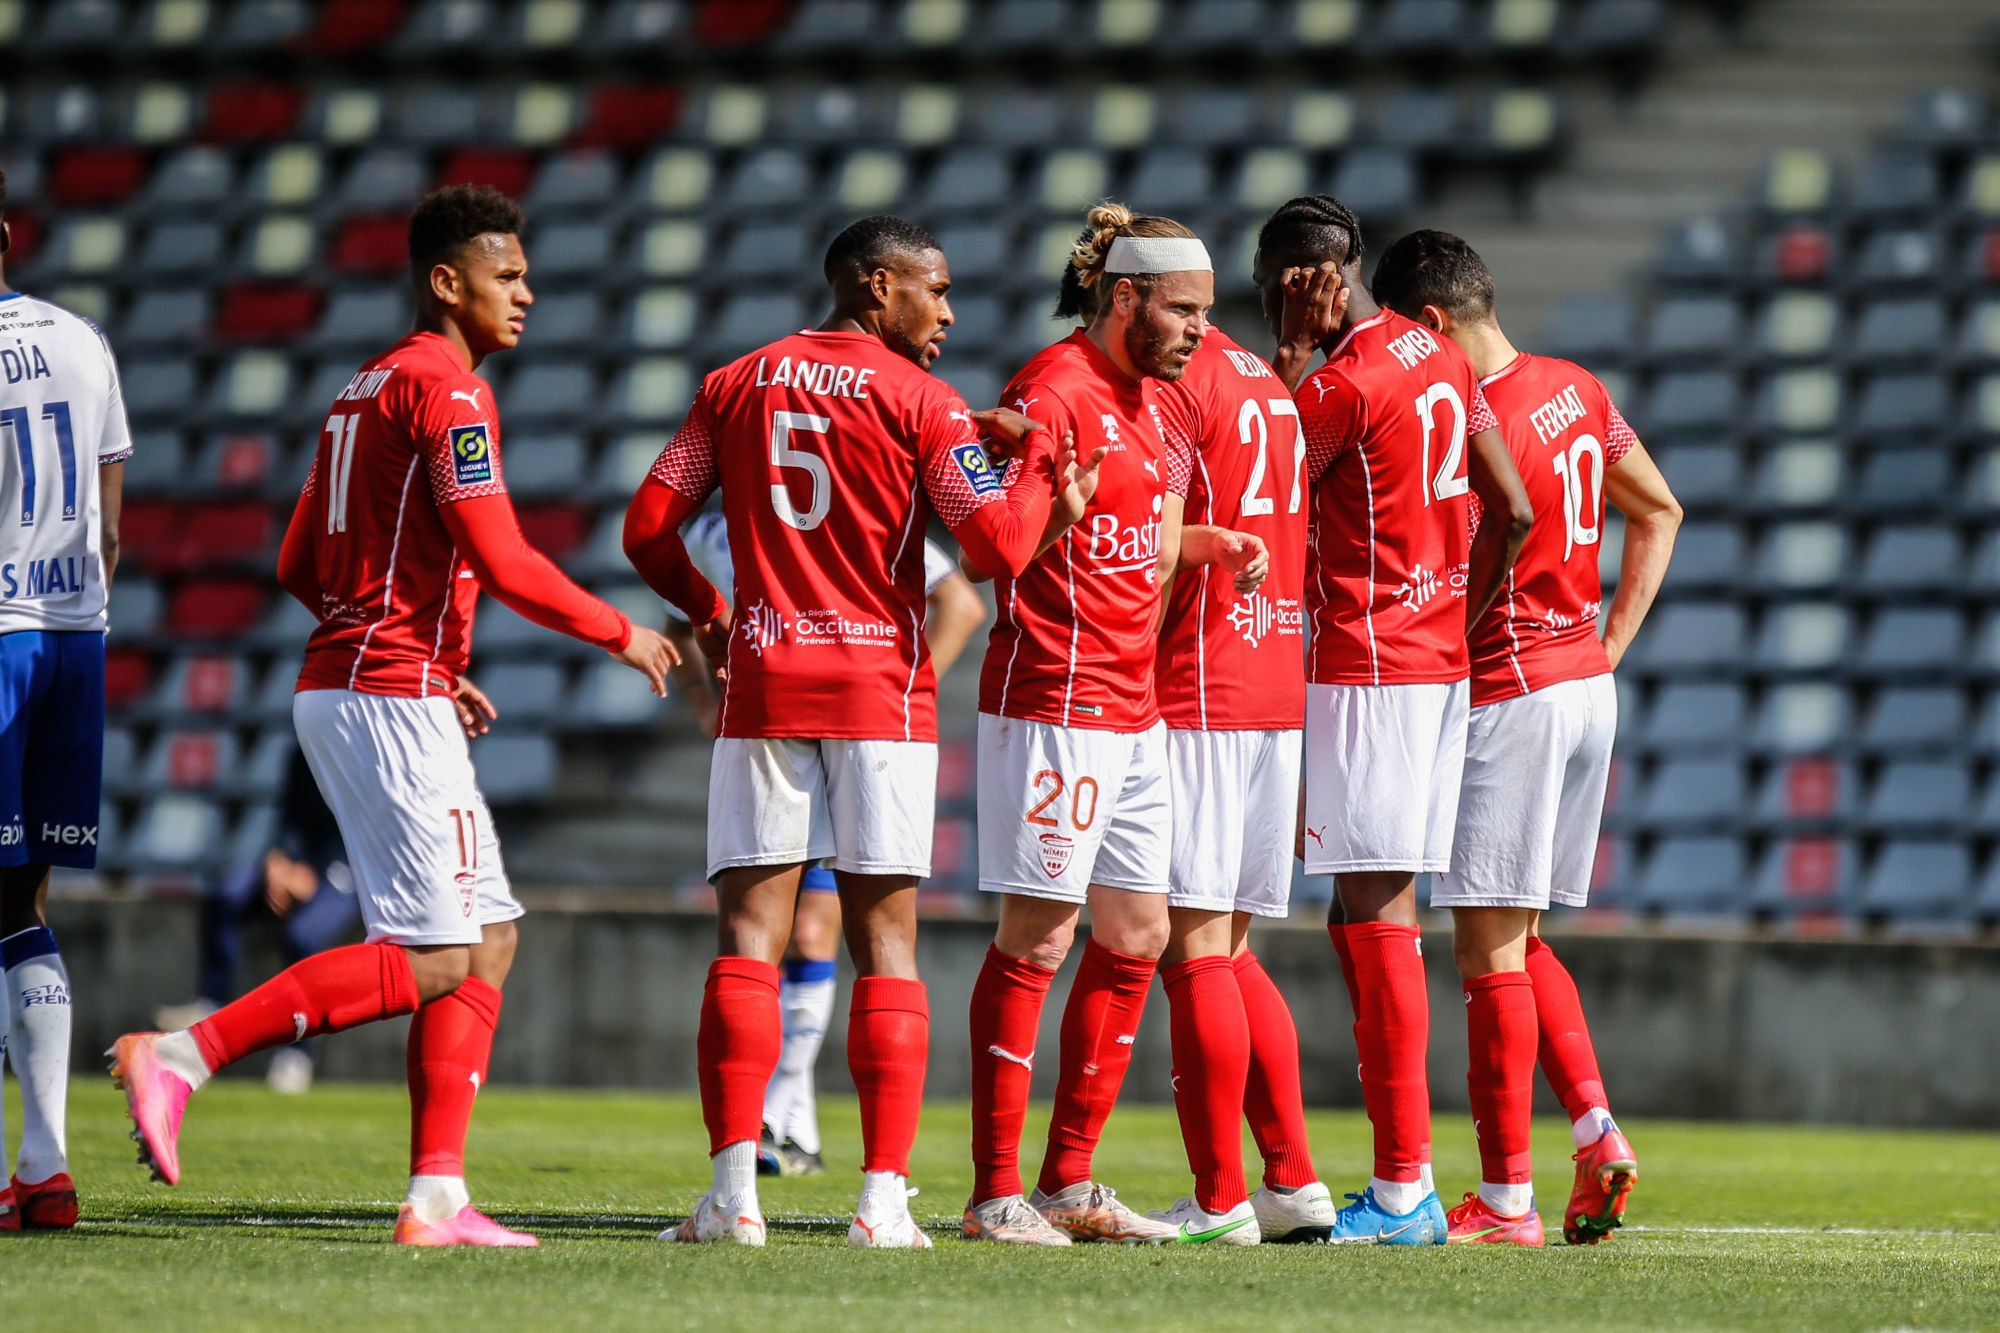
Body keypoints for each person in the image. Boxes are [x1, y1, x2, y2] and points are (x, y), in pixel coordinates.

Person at [110, 185, 675, 1248]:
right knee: (434, 956)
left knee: (489, 936)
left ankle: (437, 1197)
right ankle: (183, 1054)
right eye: (506, 276)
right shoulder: (447, 392)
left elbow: (292, 563)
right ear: (445, 282)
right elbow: (504, 561)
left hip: (370, 680)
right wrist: (620, 632)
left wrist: (395, 642)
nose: (529, 294)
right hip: (384, 693)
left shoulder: (358, 388)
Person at [624, 214, 1090, 1250]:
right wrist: (1042, 461)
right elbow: (993, 549)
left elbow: (644, 529)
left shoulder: (734, 383)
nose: (948, 310)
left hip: (766, 682)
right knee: (888, 945)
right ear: (878, 287)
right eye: (934, 288)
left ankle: (732, 1197)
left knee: (747, 940)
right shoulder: (921, 400)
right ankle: (880, 1203)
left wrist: (706, 610)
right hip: (881, 692)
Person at [963, 203, 1267, 1247]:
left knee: (1136, 934)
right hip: (1055, 696)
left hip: (1133, 707)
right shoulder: (1049, 391)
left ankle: (1065, 1182)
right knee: (1038, 936)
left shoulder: (1152, 402)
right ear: (1123, 297)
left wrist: (1204, 542)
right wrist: (1049, 498)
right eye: (1182, 310)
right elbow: (993, 549)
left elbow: (1125, 530)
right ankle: (994, 1193)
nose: (1198, 330)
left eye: (1206, 313)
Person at [1372, 229, 1680, 1246]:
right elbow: (1660, 509)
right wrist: (1607, 644)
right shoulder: (1574, 387)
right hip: (1583, 685)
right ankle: (1593, 1129)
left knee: (1485, 952)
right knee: (1520, 936)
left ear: (1428, 324)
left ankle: (1505, 1199)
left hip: (1510, 691)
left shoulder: (1469, 420)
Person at [1252, 194, 1532, 1245]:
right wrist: (1450, 615)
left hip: (1362, 670)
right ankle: (1407, 1178)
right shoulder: (1440, 358)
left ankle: (1404, 1189)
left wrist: (1283, 368)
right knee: (1371, 915)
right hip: (1433, 667)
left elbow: (1258, 500)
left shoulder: (1335, 384)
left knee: (1375, 918)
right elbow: (1510, 501)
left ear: (1297, 283)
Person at [662, 509, 987, 1177]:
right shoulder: (711, 532)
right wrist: (701, 697)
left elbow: (960, 599)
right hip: (777, 720)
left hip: (849, 726)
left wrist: (910, 682)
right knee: (766, 933)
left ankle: (777, 1118)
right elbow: (676, 618)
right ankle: (788, 1124)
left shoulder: (861, 508)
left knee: (817, 931)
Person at [0, 165, 130, 1231]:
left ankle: (38, 1168)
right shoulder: (84, 340)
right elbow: (115, 527)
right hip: (74, 642)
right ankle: (42, 1168)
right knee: (19, 908)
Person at [153, 745, 363, 1096]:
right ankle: (210, 1003)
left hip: (349, 865)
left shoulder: (367, 748)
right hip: (301, 858)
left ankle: (297, 1051)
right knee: (226, 895)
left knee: (304, 937)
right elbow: (291, 814)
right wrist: (280, 860)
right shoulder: (306, 744)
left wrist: (318, 870)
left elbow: (364, 823)